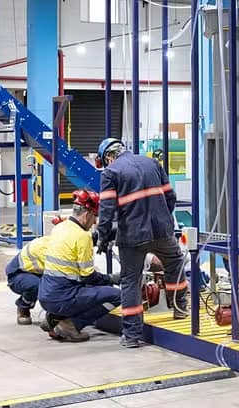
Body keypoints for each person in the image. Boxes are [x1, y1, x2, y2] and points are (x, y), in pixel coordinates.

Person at [95, 137, 188, 348]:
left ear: (108, 157)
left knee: (130, 281)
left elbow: (107, 209)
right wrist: (163, 217)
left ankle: (132, 336)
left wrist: (103, 237)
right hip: (162, 231)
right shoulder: (152, 163)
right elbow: (170, 197)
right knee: (175, 264)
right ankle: (180, 309)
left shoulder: (111, 172)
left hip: (132, 236)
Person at [38, 191, 121, 342]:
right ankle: (72, 325)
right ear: (87, 214)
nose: (95, 222)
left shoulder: (60, 228)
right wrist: (111, 278)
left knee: (91, 289)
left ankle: (54, 319)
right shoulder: (83, 236)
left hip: (45, 294)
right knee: (117, 295)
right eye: (95, 216)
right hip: (63, 297)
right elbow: (88, 276)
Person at [4, 233, 52, 325]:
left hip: (38, 273)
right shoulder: (45, 248)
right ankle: (23, 307)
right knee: (40, 286)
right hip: (19, 274)